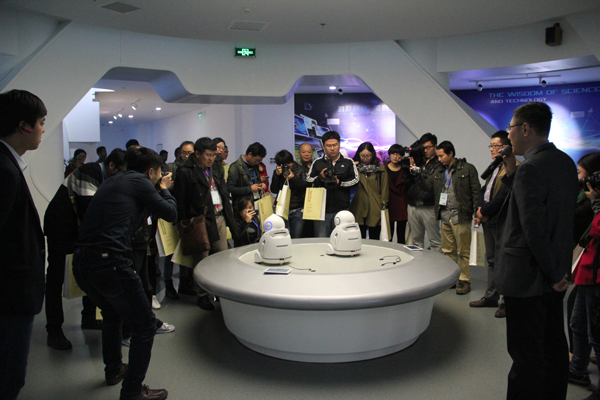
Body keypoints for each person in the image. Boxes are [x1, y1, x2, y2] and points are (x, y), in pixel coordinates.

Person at [73, 147, 176, 400]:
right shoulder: (141, 182)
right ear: (151, 172)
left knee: (112, 314)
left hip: (83, 263)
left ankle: (114, 370)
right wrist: (164, 188)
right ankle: (132, 392)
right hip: (110, 262)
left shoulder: (115, 179)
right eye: (159, 173)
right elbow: (171, 213)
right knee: (145, 326)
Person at [496, 102, 578, 400]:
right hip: (556, 275)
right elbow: (564, 220)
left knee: (526, 358)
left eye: (511, 129)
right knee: (553, 349)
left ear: (526, 128)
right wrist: (560, 273)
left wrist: (553, 274)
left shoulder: (530, 169)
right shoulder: (565, 163)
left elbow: (533, 230)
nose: (508, 135)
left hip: (528, 279)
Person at [44, 148, 127, 350]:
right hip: (61, 228)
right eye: (121, 172)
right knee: (56, 278)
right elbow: (90, 210)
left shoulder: (106, 177)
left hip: (79, 228)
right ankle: (54, 330)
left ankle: (89, 318)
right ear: (111, 165)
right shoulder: (91, 171)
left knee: (89, 272)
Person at [0, 89, 47, 400]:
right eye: (41, 122)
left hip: (11, 294)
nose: (43, 129)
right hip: (10, 296)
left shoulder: (8, 164)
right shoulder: (4, 170)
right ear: (24, 126)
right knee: (9, 377)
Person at [172, 137, 237, 311]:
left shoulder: (215, 168)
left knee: (222, 256)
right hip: (199, 221)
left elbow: (223, 192)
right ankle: (202, 295)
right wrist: (184, 224)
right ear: (197, 154)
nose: (211, 158)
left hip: (219, 216)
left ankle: (221, 291)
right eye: (208, 155)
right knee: (202, 259)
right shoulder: (185, 172)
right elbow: (181, 201)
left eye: (213, 155)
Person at [469, 131, 514, 317]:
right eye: (491, 145)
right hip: (488, 219)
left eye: (495, 145)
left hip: (502, 220)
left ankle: (507, 301)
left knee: (505, 262)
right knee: (492, 260)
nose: (492, 149)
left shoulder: (512, 167)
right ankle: (491, 296)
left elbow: (505, 195)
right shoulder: (495, 167)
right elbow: (484, 191)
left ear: (505, 147)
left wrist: (485, 211)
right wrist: (479, 210)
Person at [566, 152, 600, 376]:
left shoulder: (594, 203)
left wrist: (596, 202)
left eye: (580, 173)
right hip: (587, 270)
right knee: (578, 322)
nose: (578, 179)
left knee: (595, 332)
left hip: (595, 273)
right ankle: (577, 368)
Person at [433, 140, 480, 295]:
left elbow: (476, 191)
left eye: (441, 156)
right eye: (438, 156)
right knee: (448, 250)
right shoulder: (440, 171)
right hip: (444, 214)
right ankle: (452, 279)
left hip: (461, 215)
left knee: (463, 251)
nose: (439, 159)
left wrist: (477, 211)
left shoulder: (467, 169)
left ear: (451, 153)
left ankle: (464, 280)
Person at [306, 131, 359, 237]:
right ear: (324, 147)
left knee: (342, 239)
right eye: (329, 146)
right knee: (321, 239)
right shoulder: (317, 162)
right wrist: (320, 177)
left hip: (342, 208)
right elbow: (308, 181)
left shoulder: (348, 162)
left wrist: (340, 183)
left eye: (335, 145)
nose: (332, 148)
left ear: (339, 145)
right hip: (321, 210)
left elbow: (356, 180)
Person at [162, 140, 195, 298]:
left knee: (185, 250)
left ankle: (184, 282)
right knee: (170, 251)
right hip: (171, 214)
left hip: (187, 215)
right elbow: (164, 188)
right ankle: (168, 283)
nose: (186, 155)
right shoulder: (171, 167)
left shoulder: (193, 169)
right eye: (184, 152)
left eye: (189, 153)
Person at [406, 133, 443, 252]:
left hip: (428, 205)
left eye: (428, 147)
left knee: (435, 242)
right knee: (416, 242)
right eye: (423, 148)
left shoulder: (439, 164)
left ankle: (437, 264)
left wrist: (417, 173)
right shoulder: (418, 161)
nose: (425, 151)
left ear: (435, 147)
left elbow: (429, 185)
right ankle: (419, 263)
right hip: (413, 204)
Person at [349, 142, 388, 240]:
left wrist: (382, 203)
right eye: (362, 156)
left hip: (375, 205)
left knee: (374, 238)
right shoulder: (354, 168)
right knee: (358, 237)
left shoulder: (380, 169)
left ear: (373, 154)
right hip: (358, 205)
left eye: (368, 156)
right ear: (358, 154)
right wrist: (352, 166)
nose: (365, 158)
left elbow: (384, 187)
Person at [270, 149, 307, 238]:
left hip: (297, 208)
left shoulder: (300, 169)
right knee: (281, 237)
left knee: (296, 238)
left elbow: (305, 187)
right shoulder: (278, 172)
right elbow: (274, 190)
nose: (286, 166)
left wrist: (293, 178)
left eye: (288, 164)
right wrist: (276, 176)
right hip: (281, 208)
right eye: (283, 165)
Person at [385, 144, 411, 243]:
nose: (395, 157)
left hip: (402, 203)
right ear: (389, 154)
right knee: (388, 234)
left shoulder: (406, 169)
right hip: (389, 202)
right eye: (393, 154)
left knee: (401, 234)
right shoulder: (383, 169)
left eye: (398, 154)